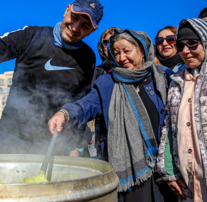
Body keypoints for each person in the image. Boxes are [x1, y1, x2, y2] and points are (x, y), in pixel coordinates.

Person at [0, 0, 103, 155]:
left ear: (92, 30)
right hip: (9, 138)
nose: (75, 27)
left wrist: (75, 146)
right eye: (74, 17)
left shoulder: (88, 58)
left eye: (84, 25)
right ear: (67, 10)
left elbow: (80, 102)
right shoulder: (32, 35)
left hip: (52, 147)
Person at [48, 29, 177, 201]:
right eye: (116, 53)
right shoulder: (108, 82)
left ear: (142, 50)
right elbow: (86, 105)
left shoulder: (165, 77)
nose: (121, 58)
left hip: (166, 171)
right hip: (132, 176)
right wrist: (64, 113)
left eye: (127, 51)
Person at [157, 18, 207, 201]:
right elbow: (169, 129)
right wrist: (169, 172)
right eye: (181, 45)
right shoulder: (176, 82)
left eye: (192, 43)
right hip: (188, 183)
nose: (186, 51)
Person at [71, 26, 121, 157]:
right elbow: (82, 105)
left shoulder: (135, 70)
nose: (111, 44)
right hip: (105, 137)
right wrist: (77, 143)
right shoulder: (94, 73)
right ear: (101, 47)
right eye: (106, 42)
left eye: (115, 39)